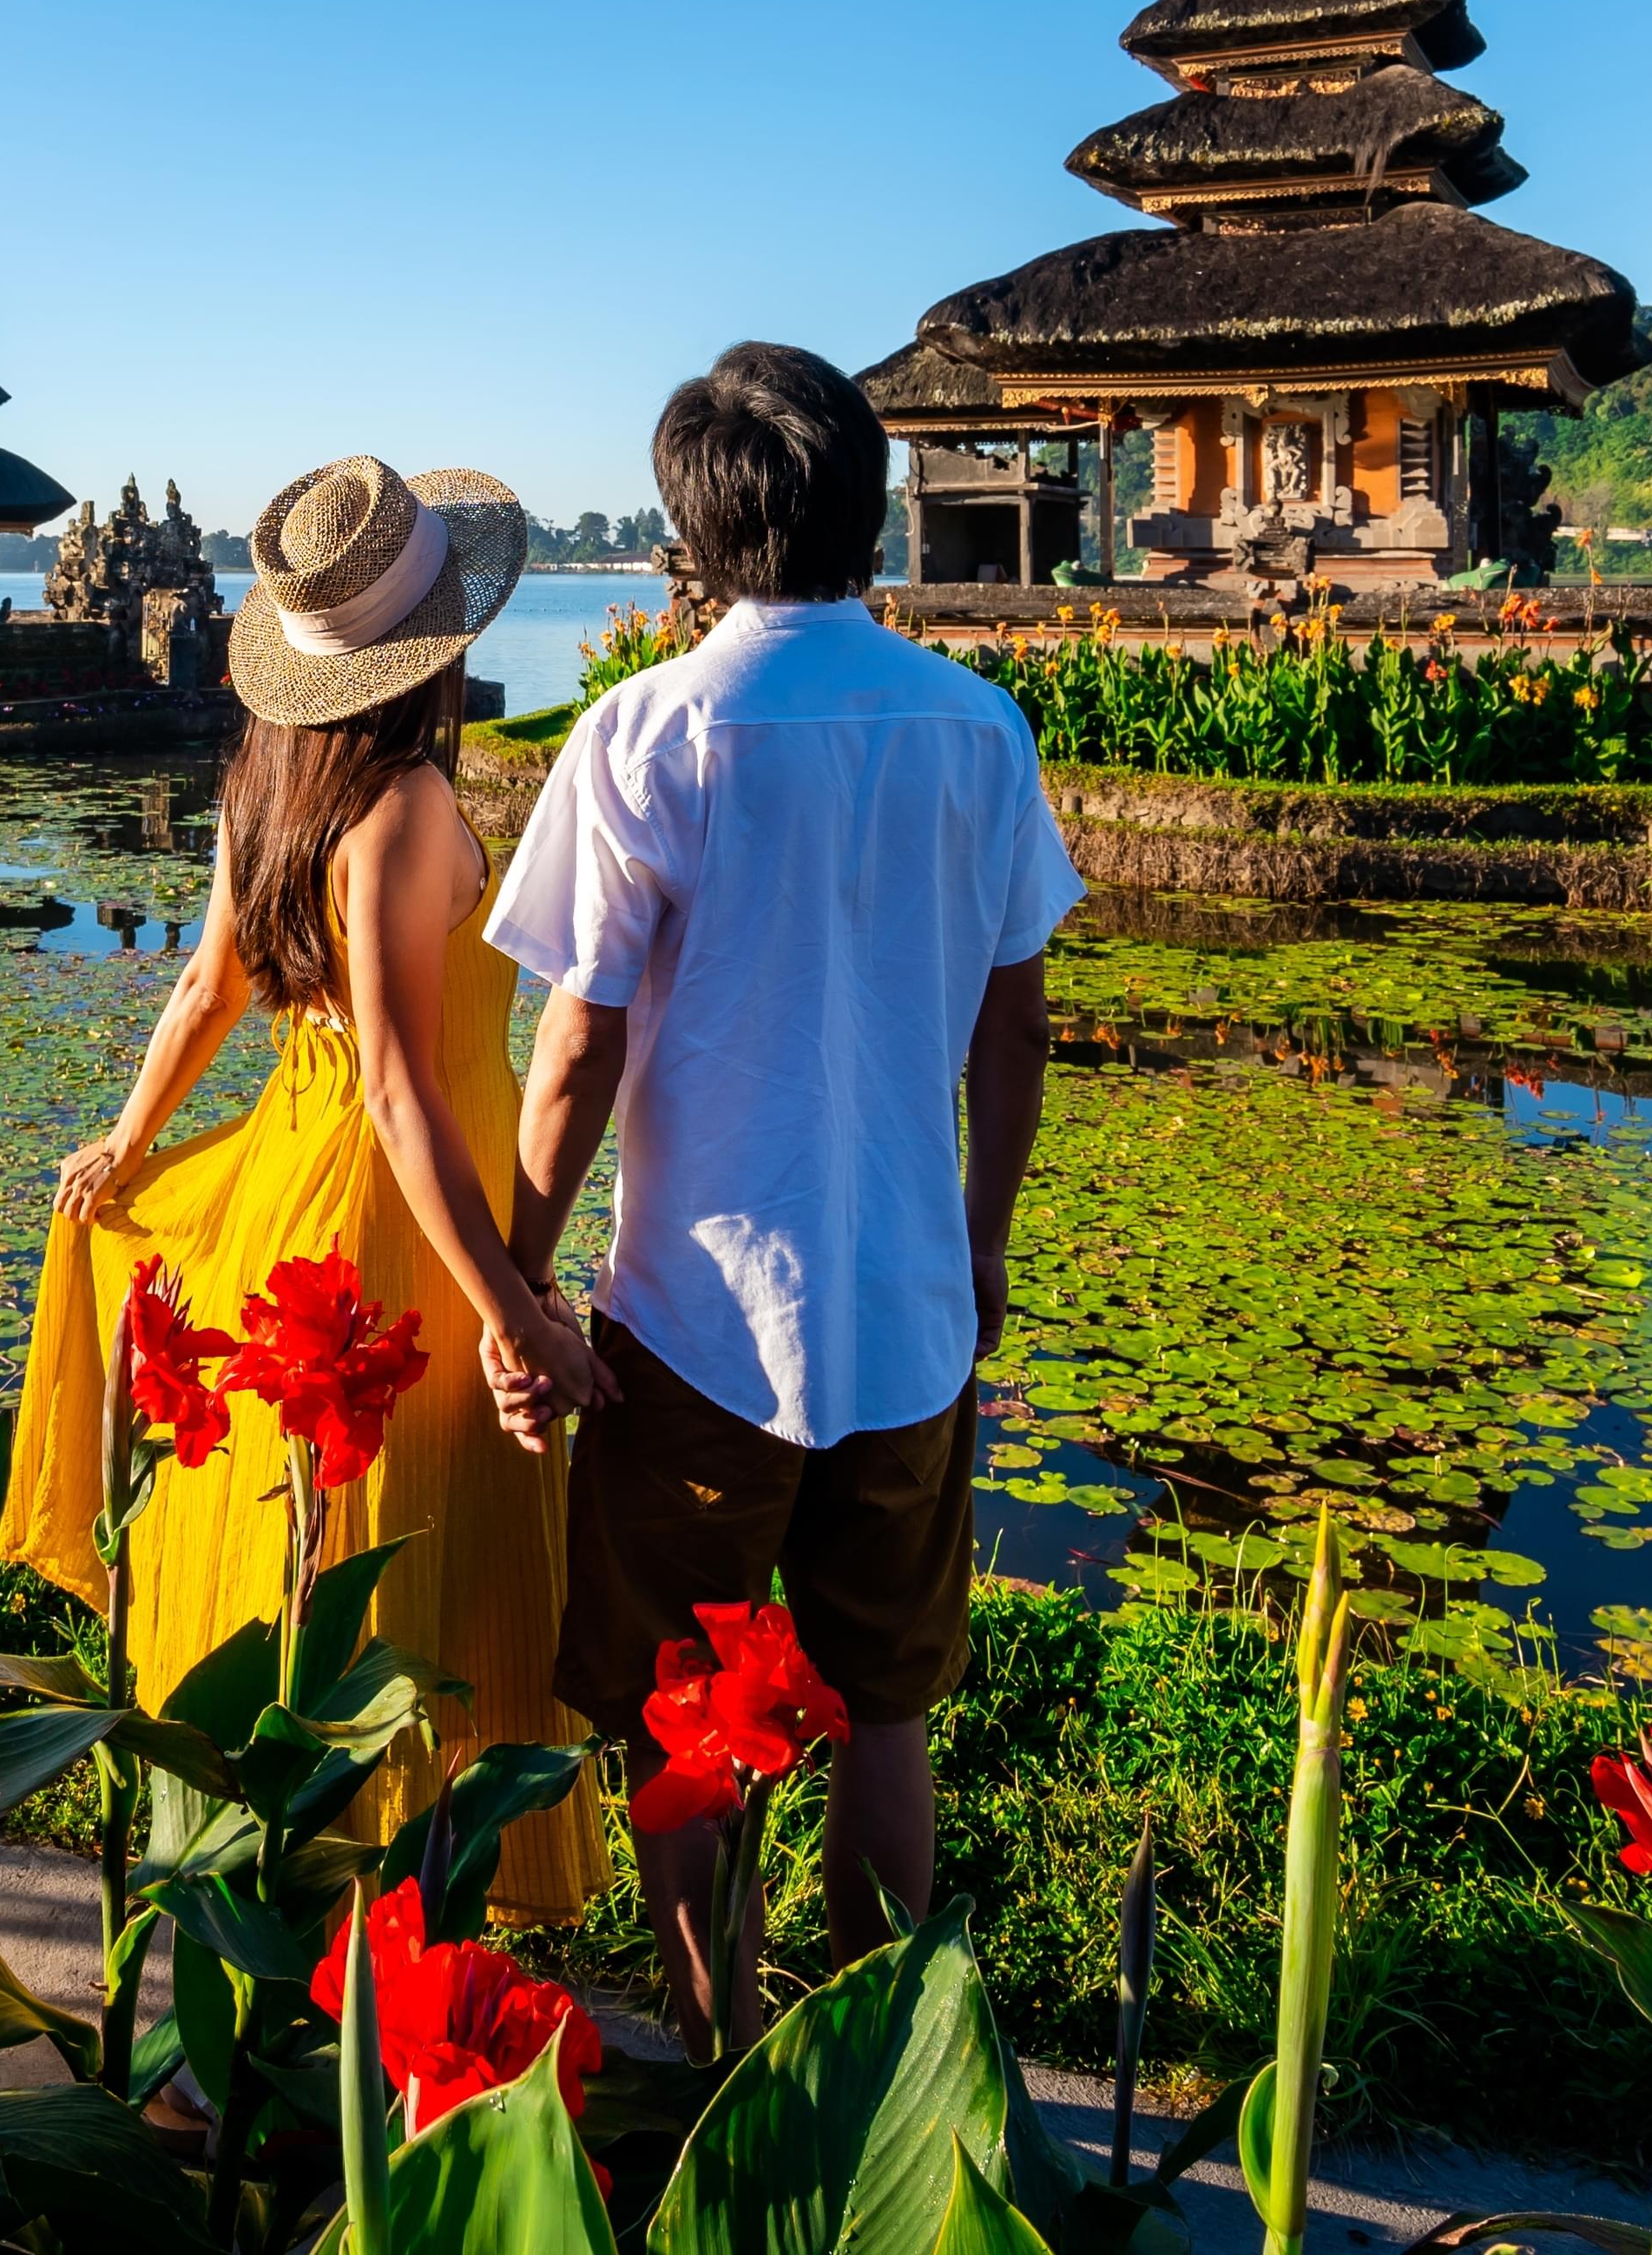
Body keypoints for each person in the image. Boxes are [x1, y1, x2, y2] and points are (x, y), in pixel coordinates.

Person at [481, 342, 1081, 2051]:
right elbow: (1013, 1020)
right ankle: (884, 2066)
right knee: (886, 1702)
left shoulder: (647, 731)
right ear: (871, 503)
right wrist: (980, 1235)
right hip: (906, 1309)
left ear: (693, 531)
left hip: (694, 1321)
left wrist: (523, 1280)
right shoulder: (976, 728)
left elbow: (576, 1048)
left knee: (692, 1713)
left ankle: (726, 2059)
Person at [0, 453, 608, 1922]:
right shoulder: (398, 809)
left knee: (314, 1559)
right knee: (420, 1573)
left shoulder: (267, 782)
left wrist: (136, 1143)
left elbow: (207, 984)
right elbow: (402, 1086)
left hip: (293, 1175)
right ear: (439, 653)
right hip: (396, 1214)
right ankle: (383, 1934)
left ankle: (280, 1920)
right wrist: (514, 1307)